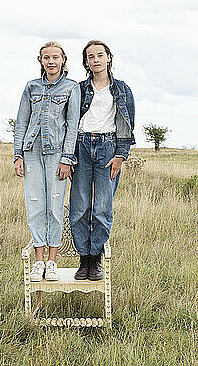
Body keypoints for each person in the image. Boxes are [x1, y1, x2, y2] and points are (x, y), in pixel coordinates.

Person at [13, 41, 80, 282]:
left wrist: (67, 158)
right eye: (46, 57)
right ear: (40, 60)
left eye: (55, 57)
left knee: (54, 205)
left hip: (57, 155)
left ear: (63, 60)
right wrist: (18, 155)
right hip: (31, 152)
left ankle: (52, 261)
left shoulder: (71, 88)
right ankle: (38, 260)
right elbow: (21, 123)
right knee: (35, 205)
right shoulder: (31, 87)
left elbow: (73, 126)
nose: (51, 61)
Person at [69, 40, 136, 280]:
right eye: (90, 57)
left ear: (109, 57)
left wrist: (121, 155)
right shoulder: (78, 89)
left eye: (100, 55)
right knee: (79, 206)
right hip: (81, 146)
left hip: (108, 148)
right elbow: (69, 122)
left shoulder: (122, 89)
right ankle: (83, 259)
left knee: (102, 208)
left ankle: (95, 258)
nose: (95, 59)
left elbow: (128, 124)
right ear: (86, 62)